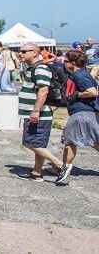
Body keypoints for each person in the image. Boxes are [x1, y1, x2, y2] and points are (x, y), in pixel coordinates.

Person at [16, 44, 64, 181]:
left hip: (39, 114)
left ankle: (60, 165)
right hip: (36, 113)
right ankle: (36, 173)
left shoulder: (40, 68)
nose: (21, 54)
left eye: (24, 51)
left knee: (30, 143)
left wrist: (36, 110)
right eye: (20, 51)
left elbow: (44, 90)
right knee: (38, 144)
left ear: (35, 53)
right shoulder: (33, 68)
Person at [55, 49, 99, 184]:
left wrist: (76, 95)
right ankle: (64, 167)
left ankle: (65, 168)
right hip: (85, 112)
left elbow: (92, 92)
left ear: (73, 63)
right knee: (95, 141)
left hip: (82, 113)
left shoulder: (80, 75)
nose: (64, 63)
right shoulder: (77, 74)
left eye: (66, 61)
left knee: (70, 141)